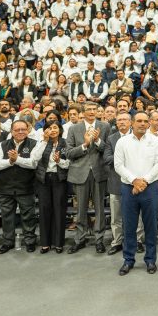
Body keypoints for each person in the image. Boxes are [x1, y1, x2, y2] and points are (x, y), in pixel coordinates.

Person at [114, 111, 158, 275]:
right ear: (132, 123)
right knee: (129, 226)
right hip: (129, 188)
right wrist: (134, 180)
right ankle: (128, 260)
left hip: (149, 188)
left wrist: (144, 181)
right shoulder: (122, 142)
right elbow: (118, 165)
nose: (143, 124)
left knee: (150, 226)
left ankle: (150, 260)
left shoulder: (156, 141)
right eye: (139, 121)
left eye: (145, 121)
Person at [0, 119, 46, 253]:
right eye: (17, 130)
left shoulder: (34, 144)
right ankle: (8, 242)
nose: (21, 132)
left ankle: (30, 241)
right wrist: (10, 161)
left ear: (28, 130)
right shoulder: (3, 144)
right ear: (11, 131)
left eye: (23, 129)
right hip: (6, 188)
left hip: (26, 187)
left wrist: (17, 160)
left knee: (28, 217)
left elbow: (33, 163)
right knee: (7, 217)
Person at [66, 102, 110, 254]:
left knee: (99, 209)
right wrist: (84, 145)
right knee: (81, 210)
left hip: (99, 172)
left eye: (94, 110)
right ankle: (79, 239)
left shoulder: (105, 127)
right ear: (82, 112)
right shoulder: (73, 128)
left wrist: (97, 141)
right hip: (80, 173)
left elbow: (108, 150)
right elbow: (69, 153)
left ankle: (99, 240)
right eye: (89, 110)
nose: (92, 112)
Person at [103, 112, 137, 256]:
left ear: (131, 122)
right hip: (116, 182)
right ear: (116, 123)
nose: (122, 122)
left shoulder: (137, 137)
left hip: (135, 181)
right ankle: (117, 242)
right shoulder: (111, 138)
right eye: (119, 120)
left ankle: (138, 241)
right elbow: (107, 158)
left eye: (125, 119)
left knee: (136, 215)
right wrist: (122, 158)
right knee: (116, 216)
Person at [34, 120, 70, 253]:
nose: (52, 130)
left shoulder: (66, 143)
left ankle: (58, 243)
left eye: (55, 127)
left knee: (59, 211)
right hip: (43, 179)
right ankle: (45, 243)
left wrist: (58, 161)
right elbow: (35, 159)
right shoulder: (42, 143)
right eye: (49, 128)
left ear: (60, 130)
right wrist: (44, 141)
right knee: (44, 210)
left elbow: (69, 164)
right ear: (45, 131)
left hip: (59, 179)